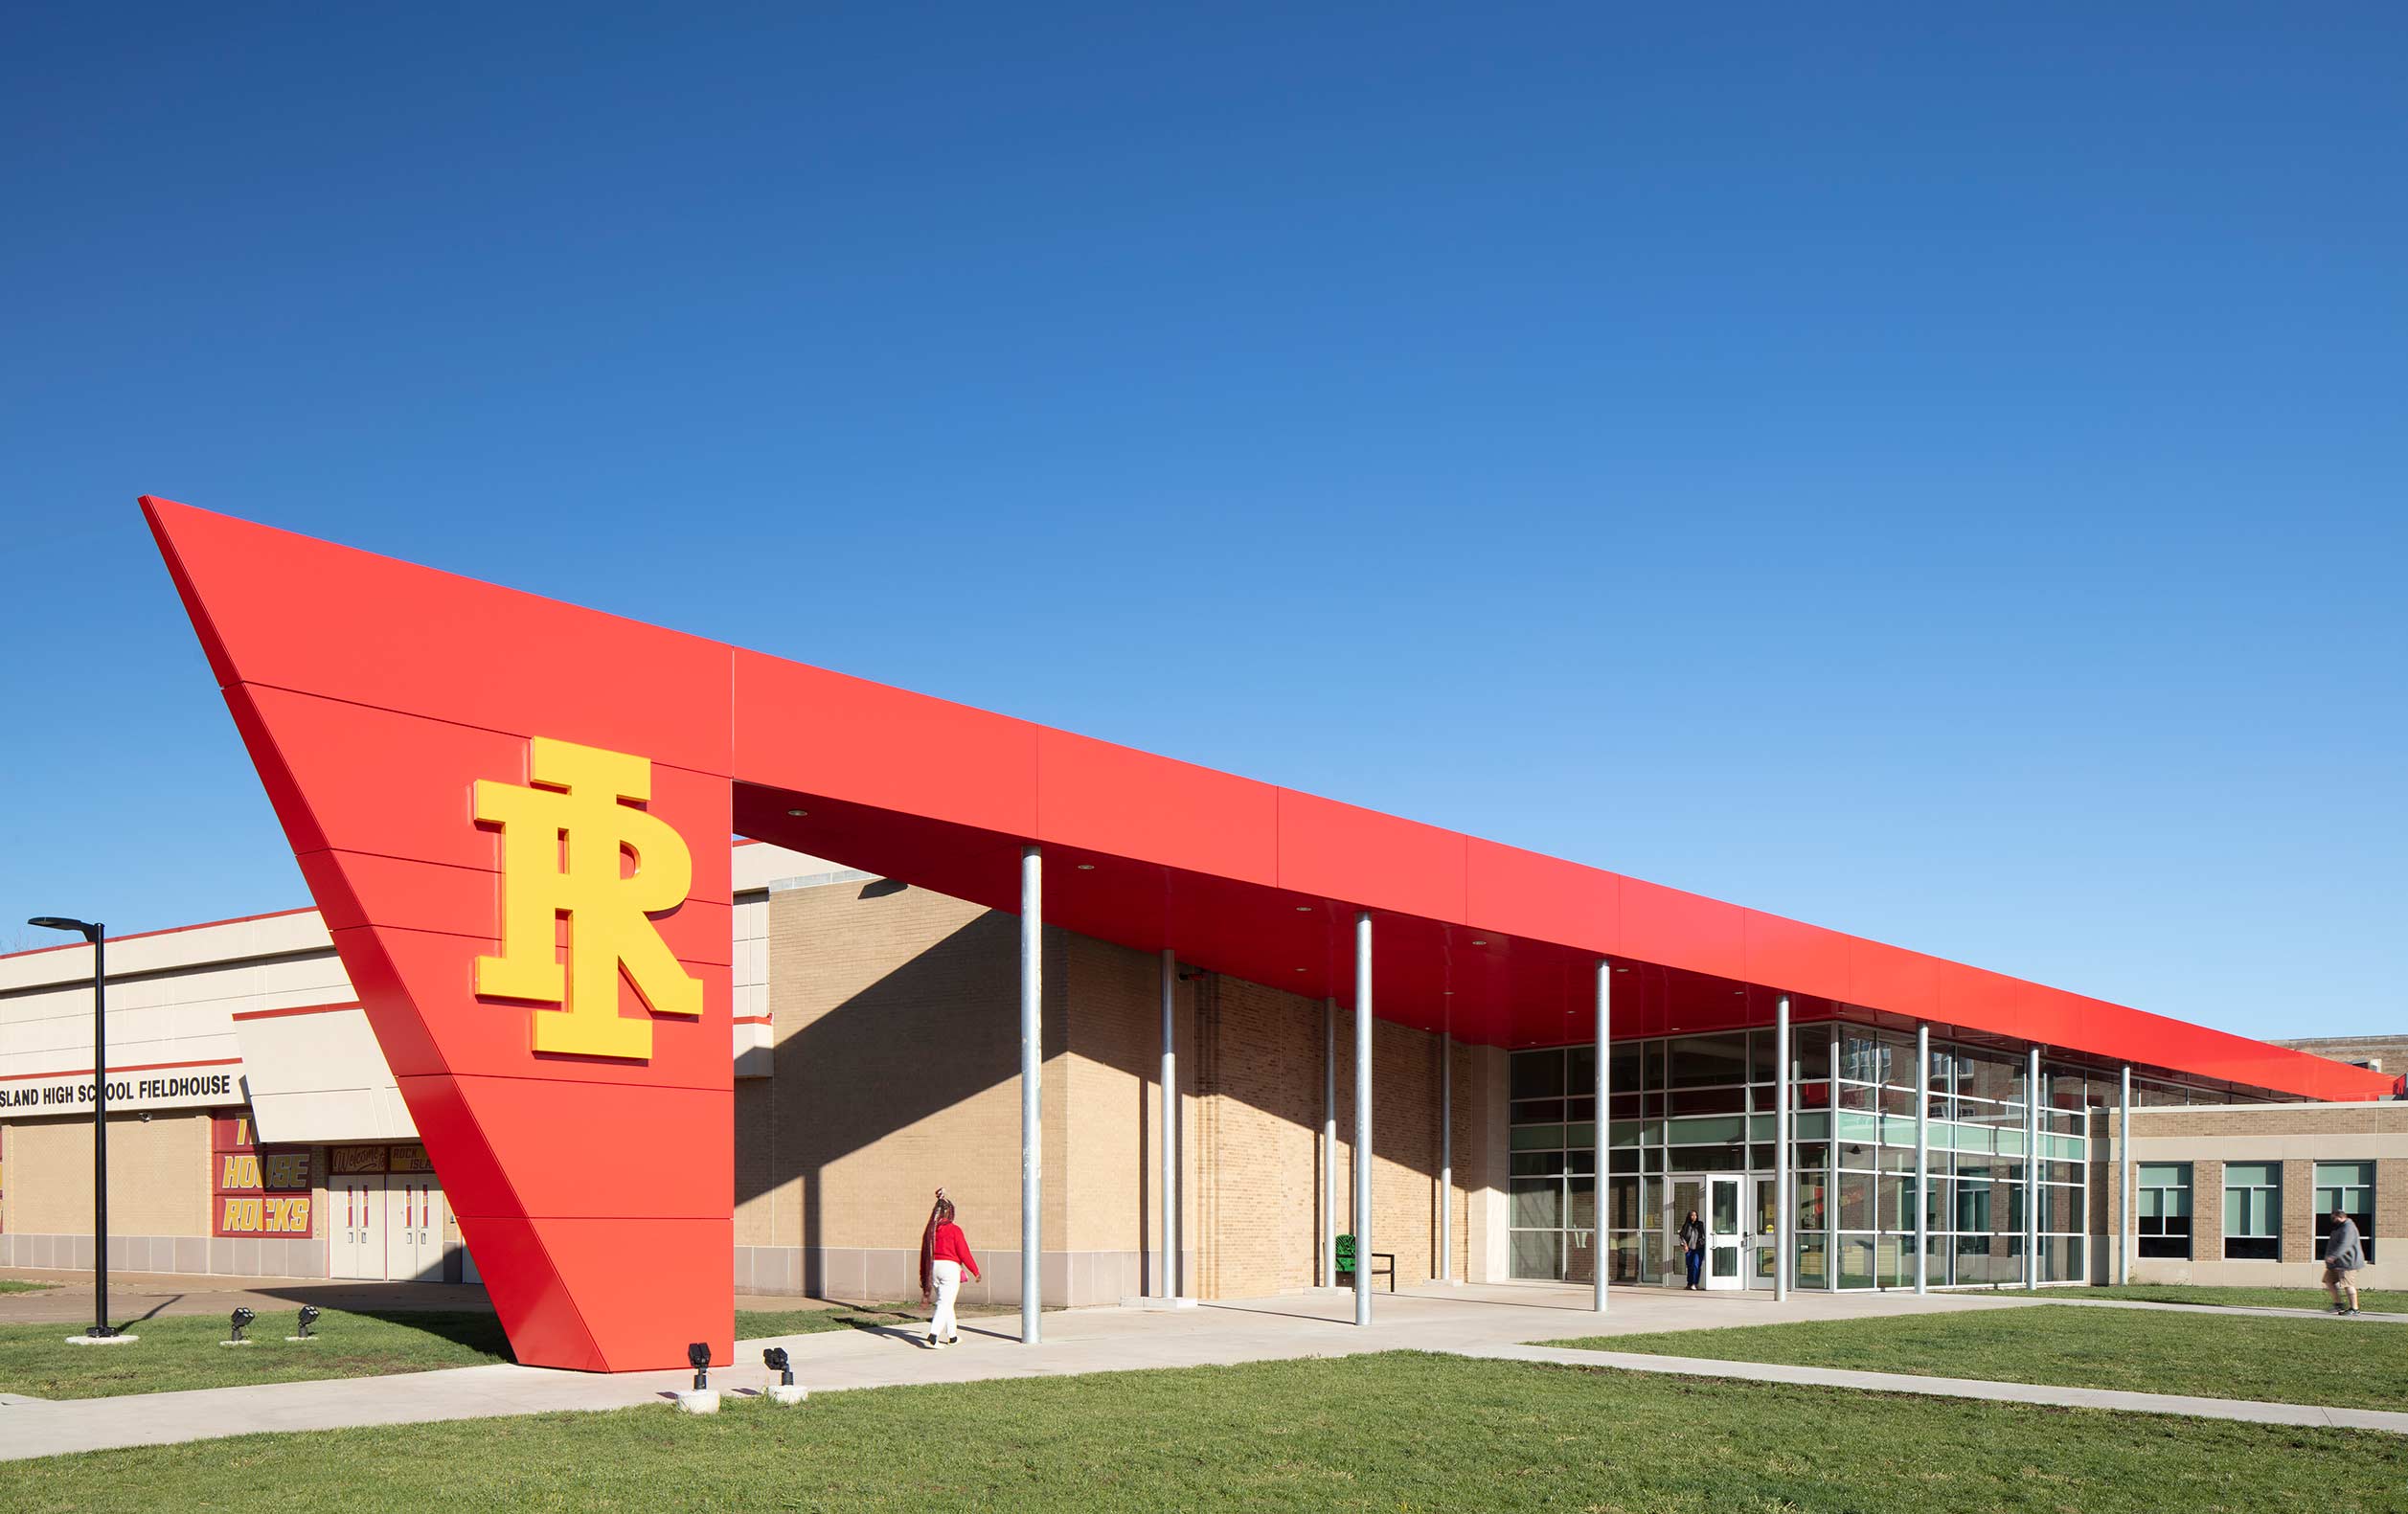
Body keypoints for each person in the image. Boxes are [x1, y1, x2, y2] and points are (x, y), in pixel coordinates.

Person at [919, 1188, 981, 1348]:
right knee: (944, 1303)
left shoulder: (930, 1231)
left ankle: (952, 1336)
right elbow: (963, 1252)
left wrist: (923, 1275)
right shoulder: (954, 1230)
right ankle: (933, 1335)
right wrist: (975, 1270)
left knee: (947, 1303)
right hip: (949, 1268)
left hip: (933, 1267)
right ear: (950, 1213)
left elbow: (925, 1253)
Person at [2325, 1205, 2366, 1317]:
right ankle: (2338, 1304)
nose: (2332, 1220)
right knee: (2328, 1281)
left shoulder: (2348, 1228)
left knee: (2348, 1285)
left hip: (2348, 1263)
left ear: (2340, 1217)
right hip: (2336, 1263)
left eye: (2333, 1218)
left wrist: (2333, 1256)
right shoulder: (2339, 1227)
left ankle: (2354, 1309)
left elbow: (2345, 1245)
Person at [1680, 1209, 1707, 1291]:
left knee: (1696, 1265)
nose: (1694, 1217)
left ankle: (1695, 1283)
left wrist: (1702, 1242)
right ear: (1689, 1216)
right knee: (1690, 1266)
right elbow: (1682, 1236)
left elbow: (1703, 1235)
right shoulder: (1686, 1225)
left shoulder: (1700, 1224)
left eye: (1695, 1215)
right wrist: (1685, 1245)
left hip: (1698, 1248)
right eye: (1692, 1215)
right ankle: (1689, 1283)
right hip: (1689, 1248)